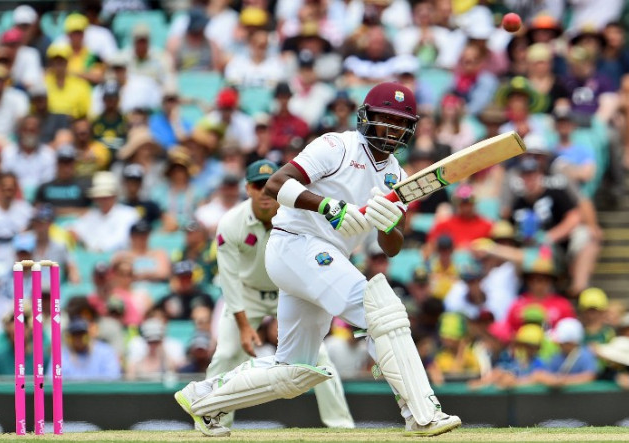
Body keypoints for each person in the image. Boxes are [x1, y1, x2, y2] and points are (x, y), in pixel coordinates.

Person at [175, 82, 461, 436]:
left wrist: (387, 223)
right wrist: (329, 207)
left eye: (400, 123)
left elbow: (392, 247)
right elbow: (276, 185)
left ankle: (203, 399)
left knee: (295, 369)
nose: (392, 129)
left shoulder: (396, 176)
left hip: (323, 259)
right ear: (366, 117)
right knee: (379, 310)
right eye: (385, 119)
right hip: (295, 243)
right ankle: (421, 412)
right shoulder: (336, 146)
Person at [199, 159, 353, 433]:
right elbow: (229, 280)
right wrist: (245, 326)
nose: (265, 192)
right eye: (258, 186)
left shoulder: (298, 217)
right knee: (226, 354)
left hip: (290, 291)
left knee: (319, 357)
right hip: (247, 295)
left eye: (270, 186)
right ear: (247, 189)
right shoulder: (231, 223)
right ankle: (210, 421)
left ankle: (341, 427)